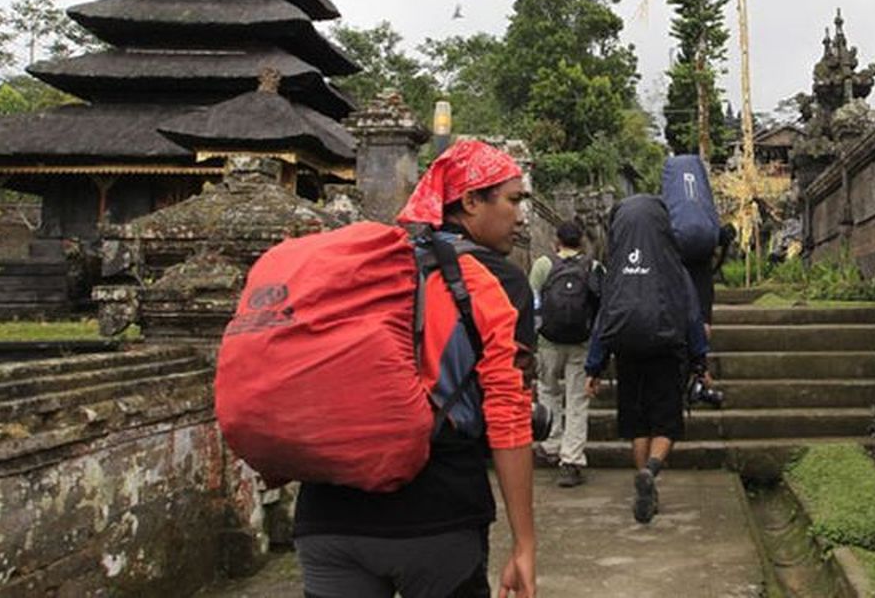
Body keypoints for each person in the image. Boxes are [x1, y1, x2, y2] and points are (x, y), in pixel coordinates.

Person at [293, 140, 536, 598]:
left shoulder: (364, 270)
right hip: (435, 516)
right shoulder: (493, 279)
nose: (520, 216)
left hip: (326, 516)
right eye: (513, 199)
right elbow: (507, 411)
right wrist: (525, 543)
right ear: (469, 201)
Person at [583, 194, 710, 524]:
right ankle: (652, 471)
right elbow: (692, 315)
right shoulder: (673, 267)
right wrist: (701, 362)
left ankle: (644, 479)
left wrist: (594, 366)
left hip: (627, 352)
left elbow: (603, 320)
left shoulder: (617, 270)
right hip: (668, 351)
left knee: (637, 423)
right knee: (666, 422)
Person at [528, 220, 602, 487]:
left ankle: (551, 445)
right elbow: (600, 307)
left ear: (556, 241)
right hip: (582, 343)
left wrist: (534, 335)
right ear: (582, 241)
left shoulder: (543, 265)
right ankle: (571, 459)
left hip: (548, 341)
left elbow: (532, 300)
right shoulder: (593, 267)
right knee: (577, 399)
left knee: (548, 391)